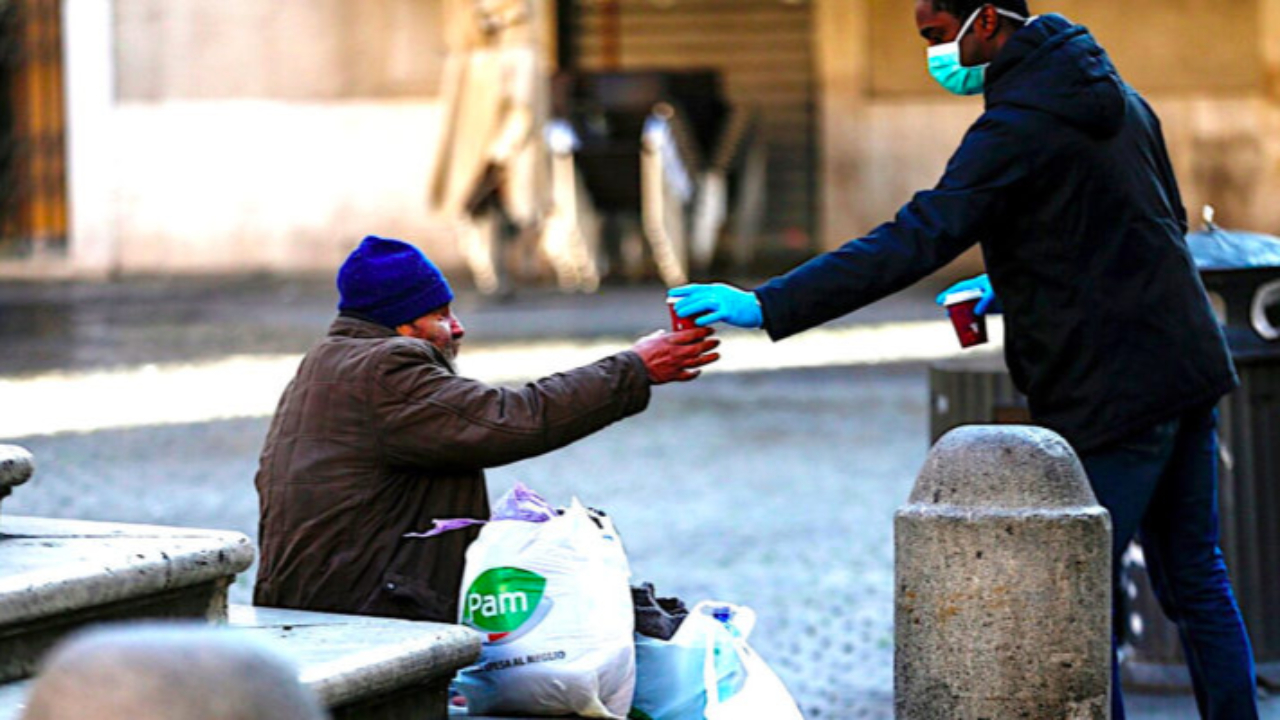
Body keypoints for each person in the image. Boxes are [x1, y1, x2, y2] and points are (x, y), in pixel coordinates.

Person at [670, 2, 1258, 718]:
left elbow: (916, 236)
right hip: (1185, 359)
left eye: (934, 34)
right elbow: (1133, 222)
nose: (934, 53)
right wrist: (1011, 282)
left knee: (1080, 595)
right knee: (1196, 578)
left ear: (985, 22)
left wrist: (770, 305)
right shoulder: (1115, 95)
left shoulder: (1016, 124)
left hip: (1114, 384)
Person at [254, 234, 718, 624]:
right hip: (366, 609)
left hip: (323, 599)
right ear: (402, 324)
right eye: (440, 315)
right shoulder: (385, 368)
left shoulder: (327, 363)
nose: (457, 328)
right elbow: (511, 417)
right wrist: (634, 368)